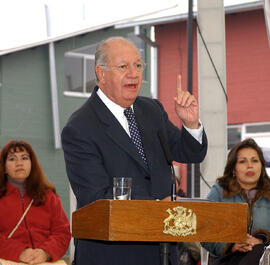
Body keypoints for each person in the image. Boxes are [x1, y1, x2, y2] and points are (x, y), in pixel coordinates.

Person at [61, 36, 208, 265]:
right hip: (112, 255)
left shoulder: (151, 110)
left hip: (163, 252)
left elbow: (189, 153)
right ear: (101, 73)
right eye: (123, 66)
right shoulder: (80, 127)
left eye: (138, 65)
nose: (134, 73)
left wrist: (190, 125)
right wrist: (158, 207)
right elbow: (95, 199)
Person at [0, 140, 71, 264]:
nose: (19, 163)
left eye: (24, 158)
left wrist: (46, 252)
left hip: (45, 261)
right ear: (4, 167)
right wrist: (18, 251)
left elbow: (62, 233)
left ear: (31, 164)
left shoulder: (49, 196)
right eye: (12, 159)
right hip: (8, 260)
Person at [201, 138, 270, 265]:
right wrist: (231, 246)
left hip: (264, 257)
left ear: (261, 165)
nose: (250, 165)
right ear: (233, 169)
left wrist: (260, 241)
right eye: (243, 161)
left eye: (255, 161)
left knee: (258, 252)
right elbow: (204, 231)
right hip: (227, 259)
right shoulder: (219, 192)